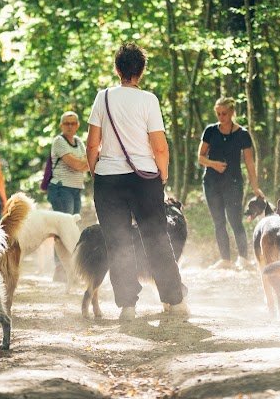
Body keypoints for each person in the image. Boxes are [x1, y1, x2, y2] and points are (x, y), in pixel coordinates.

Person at [86, 42, 189, 321]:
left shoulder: (103, 98)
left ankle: (127, 307)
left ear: (117, 69)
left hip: (109, 180)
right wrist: (162, 176)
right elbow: (160, 147)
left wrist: (97, 174)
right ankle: (175, 301)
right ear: (141, 71)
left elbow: (92, 144)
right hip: (145, 180)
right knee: (157, 238)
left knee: (117, 242)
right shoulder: (148, 100)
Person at [198, 97, 265, 269]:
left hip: (233, 183)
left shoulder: (242, 134)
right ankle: (225, 260)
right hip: (211, 183)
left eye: (224, 113)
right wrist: (213, 164)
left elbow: (249, 163)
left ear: (232, 112)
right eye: (218, 114)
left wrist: (255, 187)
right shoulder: (210, 131)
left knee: (235, 221)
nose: (221, 117)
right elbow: (200, 157)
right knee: (219, 222)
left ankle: (243, 258)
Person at [47, 111, 89, 282]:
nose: (70, 126)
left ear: (77, 125)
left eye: (73, 123)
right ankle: (61, 270)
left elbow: (85, 164)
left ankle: (70, 268)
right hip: (61, 189)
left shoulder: (79, 142)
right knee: (63, 229)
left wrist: (84, 163)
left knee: (71, 228)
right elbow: (78, 164)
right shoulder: (59, 141)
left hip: (75, 189)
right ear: (61, 125)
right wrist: (85, 162)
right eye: (66, 123)